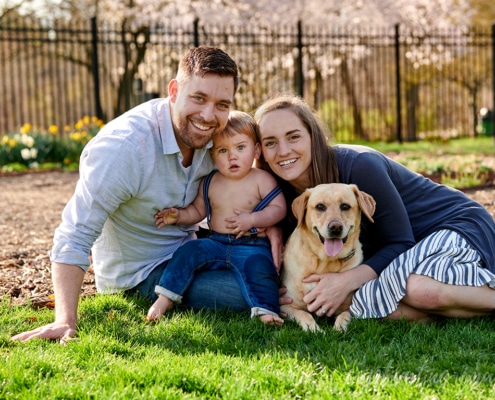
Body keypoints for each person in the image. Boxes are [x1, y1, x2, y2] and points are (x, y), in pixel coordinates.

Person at [11, 46, 264, 343]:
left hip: (194, 250)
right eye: (198, 98)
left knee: (265, 270)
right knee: (255, 291)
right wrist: (65, 319)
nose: (208, 115)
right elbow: (75, 233)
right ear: (174, 90)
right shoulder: (125, 148)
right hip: (140, 276)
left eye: (222, 104)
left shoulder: (216, 139)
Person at [254, 93, 495, 323]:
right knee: (365, 305)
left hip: (453, 226)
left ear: (313, 136)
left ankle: (450, 301)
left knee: (418, 290)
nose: (283, 150)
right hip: (407, 256)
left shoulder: (360, 166)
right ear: (261, 151)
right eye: (270, 142)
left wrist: (346, 281)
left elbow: (400, 242)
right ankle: (452, 307)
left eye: (293, 136)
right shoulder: (277, 193)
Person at [147, 111, 286, 325]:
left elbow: (279, 209)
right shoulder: (211, 181)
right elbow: (198, 212)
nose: (232, 156)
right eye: (223, 150)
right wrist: (178, 216)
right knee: (189, 251)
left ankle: (266, 311)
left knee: (260, 267)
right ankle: (166, 297)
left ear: (256, 150)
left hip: (251, 244)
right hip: (216, 242)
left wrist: (253, 219)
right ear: (213, 156)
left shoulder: (261, 179)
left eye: (240, 148)